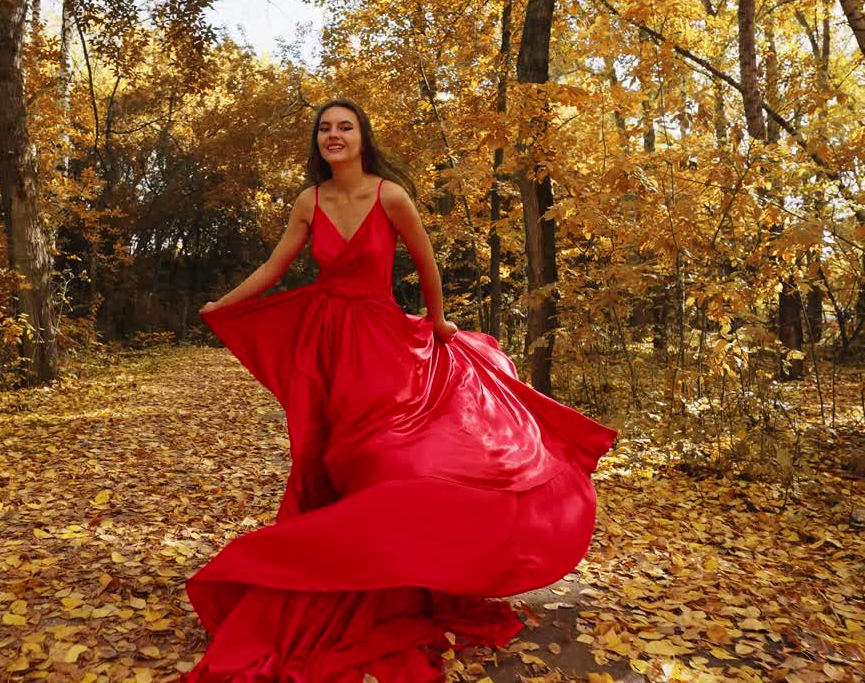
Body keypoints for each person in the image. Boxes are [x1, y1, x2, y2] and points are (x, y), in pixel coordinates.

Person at [187, 98, 617, 683]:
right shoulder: (308, 203)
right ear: (317, 142)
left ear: (363, 137)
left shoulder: (390, 195)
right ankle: (347, 558)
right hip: (327, 344)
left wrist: (439, 321)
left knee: (387, 454)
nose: (334, 136)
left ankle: (398, 565)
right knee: (330, 455)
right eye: (325, 130)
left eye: (345, 127)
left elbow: (426, 262)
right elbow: (274, 267)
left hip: (382, 340)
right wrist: (226, 305)